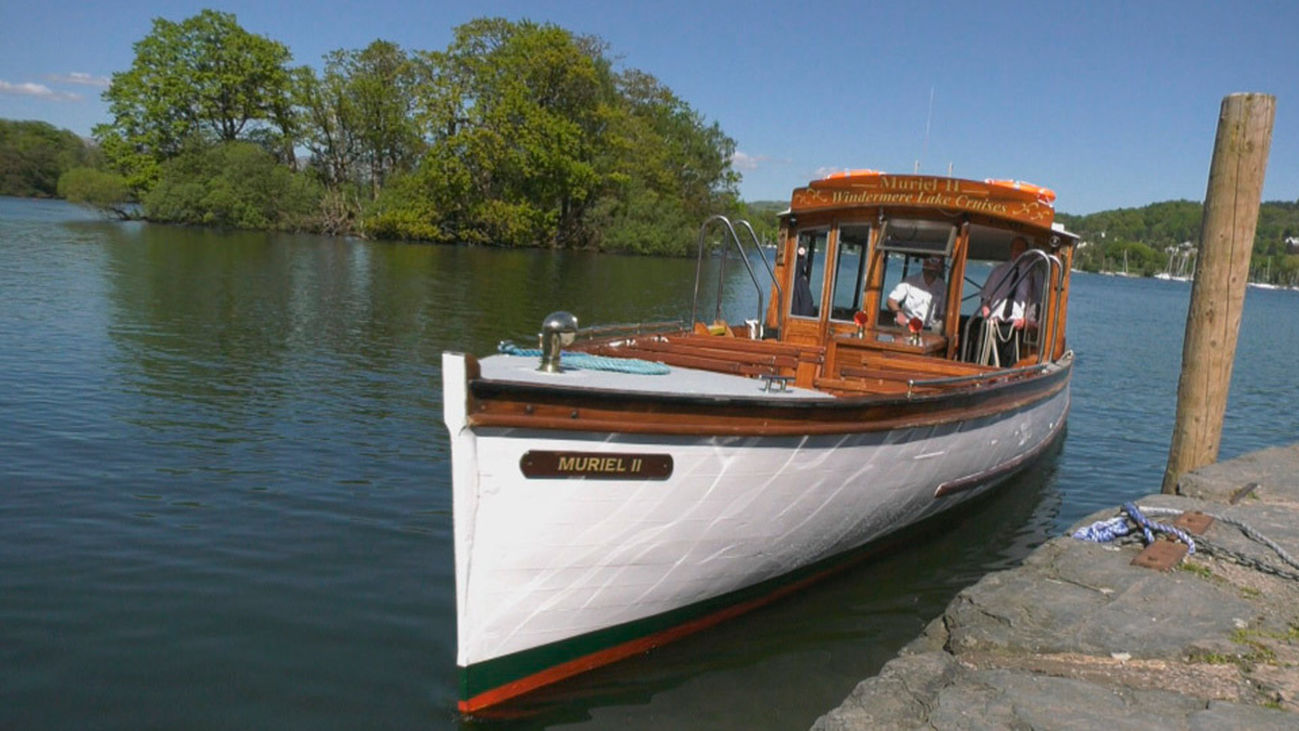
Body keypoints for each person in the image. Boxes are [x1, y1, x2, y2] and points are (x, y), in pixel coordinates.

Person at [977, 237, 1041, 365]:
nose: (1017, 252)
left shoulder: (1033, 275)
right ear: (1011, 250)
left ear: (1026, 252)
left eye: (1021, 250)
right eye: (1015, 249)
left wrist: (1026, 321)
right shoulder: (998, 271)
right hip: (994, 325)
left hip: (1016, 328)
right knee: (989, 364)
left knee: (1010, 366)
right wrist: (986, 312)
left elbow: (1037, 303)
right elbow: (985, 296)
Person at [886, 255, 947, 330]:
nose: (938, 266)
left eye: (941, 263)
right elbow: (891, 300)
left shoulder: (943, 287)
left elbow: (942, 313)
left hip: (930, 331)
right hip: (908, 327)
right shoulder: (910, 281)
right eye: (935, 261)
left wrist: (939, 325)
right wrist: (899, 313)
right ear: (925, 263)